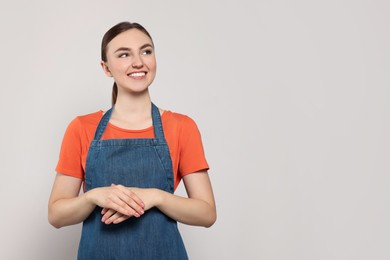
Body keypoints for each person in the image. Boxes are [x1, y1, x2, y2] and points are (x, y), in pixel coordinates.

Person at [48, 21, 216, 259]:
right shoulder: (82, 128)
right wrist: (93, 195)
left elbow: (207, 213)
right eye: (124, 54)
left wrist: (155, 196)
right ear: (106, 68)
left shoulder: (181, 127)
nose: (138, 62)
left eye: (146, 51)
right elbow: (56, 215)